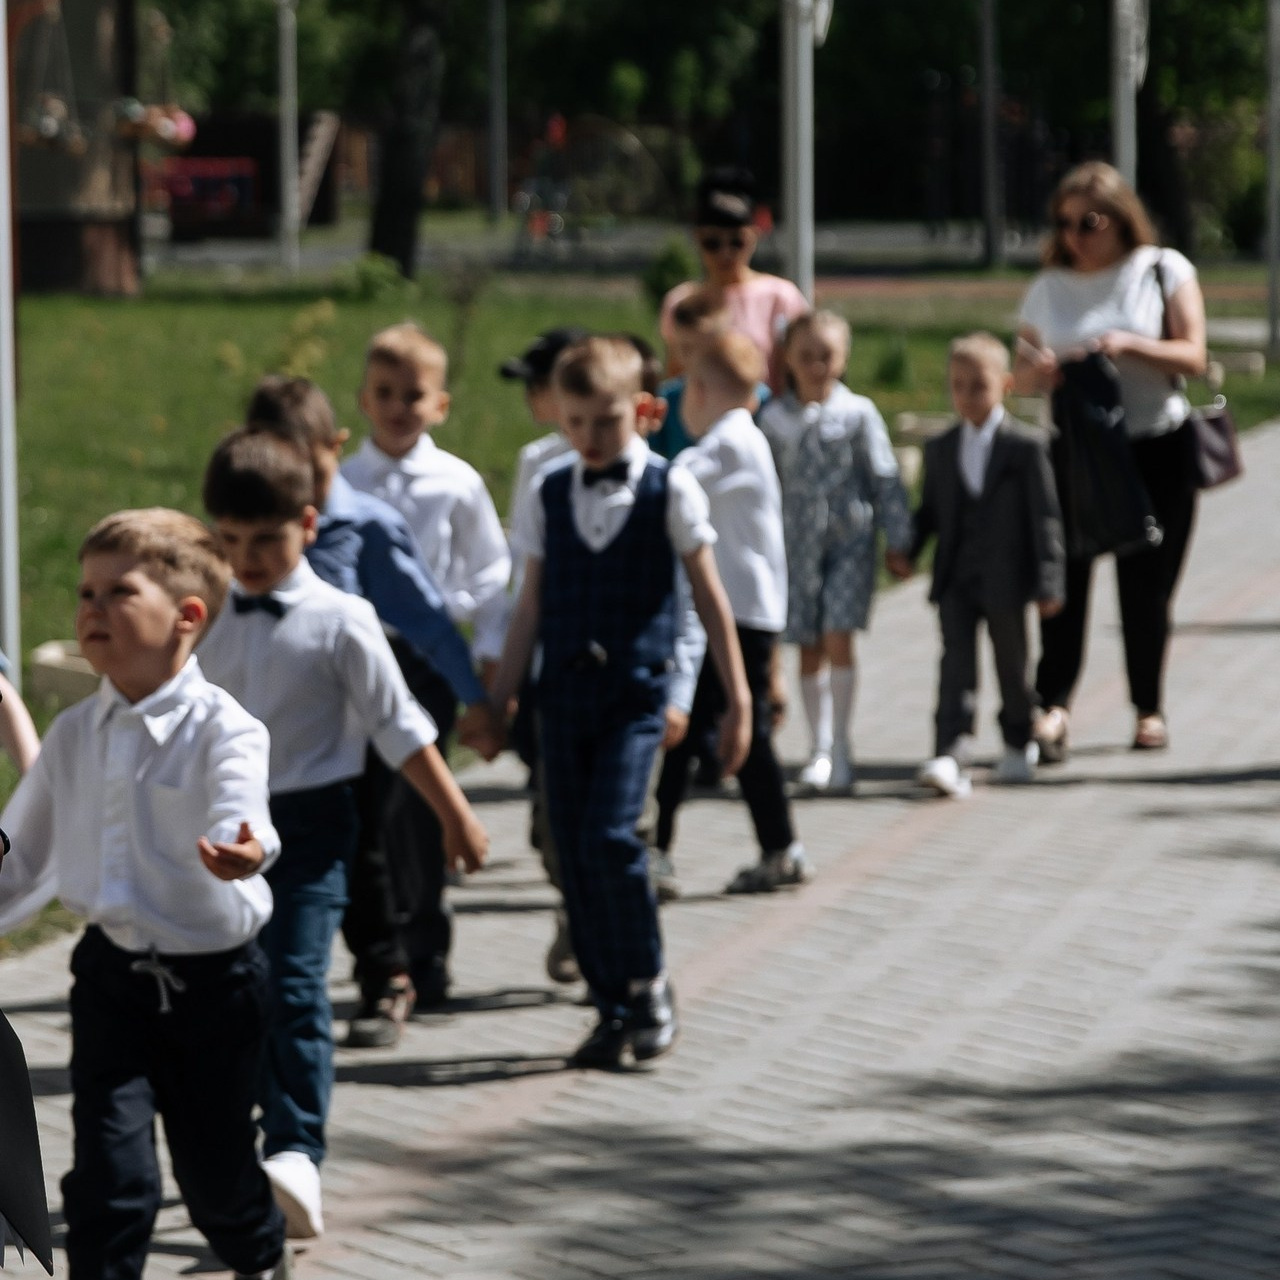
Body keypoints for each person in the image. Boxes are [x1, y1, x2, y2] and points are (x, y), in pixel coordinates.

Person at [199, 431, 488, 1241]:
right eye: (230, 541)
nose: (247, 558)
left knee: (293, 986)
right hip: (219, 830)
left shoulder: (343, 620)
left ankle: (295, 1154)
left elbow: (400, 729)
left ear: (310, 524)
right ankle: (233, 1149)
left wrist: (454, 813)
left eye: (266, 540)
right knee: (233, 997)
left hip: (315, 827)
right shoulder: (205, 615)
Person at [0, 508, 292, 1280]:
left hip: (215, 987)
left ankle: (260, 1255)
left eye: (116, 592)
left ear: (187, 617)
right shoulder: (72, 735)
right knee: (110, 1180)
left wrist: (246, 850)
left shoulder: (225, 729)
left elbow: (246, 812)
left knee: (217, 1176)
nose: (90, 609)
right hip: (111, 982)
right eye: (84, 592)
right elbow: (21, 855)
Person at [490, 335, 750, 1069]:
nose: (590, 439)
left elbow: (708, 598)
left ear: (640, 411)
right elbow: (530, 604)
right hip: (562, 699)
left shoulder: (672, 489)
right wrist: (501, 697)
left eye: (605, 422)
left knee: (612, 837)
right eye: (575, 423)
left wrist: (735, 702)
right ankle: (609, 1004)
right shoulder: (549, 490)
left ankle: (649, 979)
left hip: (635, 696)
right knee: (571, 851)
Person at [244, 376, 500, 1050]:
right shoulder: (242, 548)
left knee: (369, 852)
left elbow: (429, 620)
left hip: (361, 730)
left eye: (308, 469)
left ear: (332, 449)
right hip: (277, 739)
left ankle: (389, 970)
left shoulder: (365, 527)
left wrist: (475, 695)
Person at [1013, 160, 1208, 757]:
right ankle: (1053, 706)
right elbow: (1017, 375)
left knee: (1146, 587)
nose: (1074, 235)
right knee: (1063, 581)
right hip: (1074, 453)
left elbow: (1194, 355)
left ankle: (1148, 708)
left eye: (1088, 221)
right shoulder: (1047, 287)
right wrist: (1039, 375)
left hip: (1155, 447)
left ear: (1121, 219)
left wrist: (1130, 346)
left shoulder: (1161, 270)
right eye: (1063, 223)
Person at [341, 324, 510, 1009]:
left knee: (416, 803)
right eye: (384, 393)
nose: (397, 407)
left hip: (427, 659)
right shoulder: (345, 483)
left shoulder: (455, 482)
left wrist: (464, 622)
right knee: (366, 807)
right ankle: (381, 954)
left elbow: (492, 570)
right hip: (360, 655)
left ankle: (426, 947)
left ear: (439, 405)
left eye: (414, 395)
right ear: (362, 399)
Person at [656, 332, 809, 893]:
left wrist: (628, 451)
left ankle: (660, 850)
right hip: (742, 612)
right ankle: (774, 846)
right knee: (713, 730)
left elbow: (669, 482)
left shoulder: (732, 440)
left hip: (733, 615)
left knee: (703, 731)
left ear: (696, 390)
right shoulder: (746, 436)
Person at [891, 333, 1065, 797]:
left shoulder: (1025, 448)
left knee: (1012, 665)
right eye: (958, 385)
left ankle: (1016, 741)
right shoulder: (941, 449)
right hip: (956, 579)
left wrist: (1050, 581)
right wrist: (907, 549)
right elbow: (929, 511)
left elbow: (1045, 519)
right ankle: (951, 750)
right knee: (955, 667)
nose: (967, 395)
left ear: (1006, 385)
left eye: (979, 385)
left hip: (1008, 579)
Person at [759, 311, 913, 791]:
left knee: (837, 635)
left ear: (843, 358)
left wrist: (899, 537)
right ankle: (819, 747)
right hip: (795, 546)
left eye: (826, 355)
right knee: (807, 645)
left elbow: (884, 476)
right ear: (788, 358)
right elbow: (764, 486)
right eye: (805, 355)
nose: (816, 364)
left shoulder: (858, 413)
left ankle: (843, 744)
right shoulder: (774, 419)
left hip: (850, 540)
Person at [659, 167, 809, 395]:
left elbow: (798, 373)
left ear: (754, 236)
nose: (725, 254)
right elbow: (675, 378)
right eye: (713, 243)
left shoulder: (781, 296)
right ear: (697, 239)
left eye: (737, 242)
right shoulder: (682, 301)